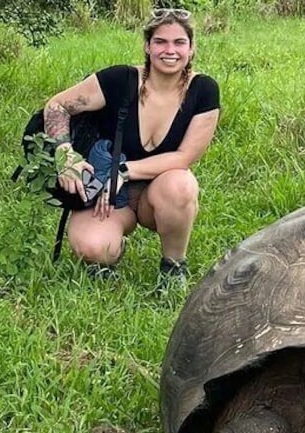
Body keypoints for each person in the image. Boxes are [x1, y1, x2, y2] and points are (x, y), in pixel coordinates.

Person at [42, 8, 220, 289]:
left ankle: (173, 266)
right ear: (147, 46)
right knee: (92, 247)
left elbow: (184, 157)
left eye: (179, 42)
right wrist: (64, 152)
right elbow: (57, 105)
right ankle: (111, 250)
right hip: (106, 193)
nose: (169, 50)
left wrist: (123, 171)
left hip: (158, 192)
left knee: (182, 184)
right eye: (160, 42)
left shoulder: (203, 90)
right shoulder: (119, 80)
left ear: (191, 48)